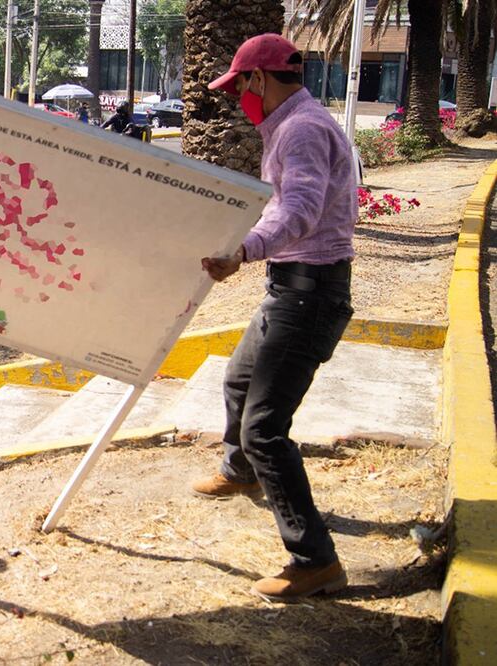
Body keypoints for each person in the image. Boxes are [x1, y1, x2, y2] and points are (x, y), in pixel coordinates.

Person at [195, 33, 357, 603]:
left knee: (266, 427)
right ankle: (240, 472)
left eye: (240, 84)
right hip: (292, 288)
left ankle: (315, 560)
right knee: (238, 378)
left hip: (309, 296)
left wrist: (245, 249)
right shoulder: (294, 124)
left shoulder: (302, 129)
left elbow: (301, 208)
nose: (240, 96)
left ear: (259, 79)